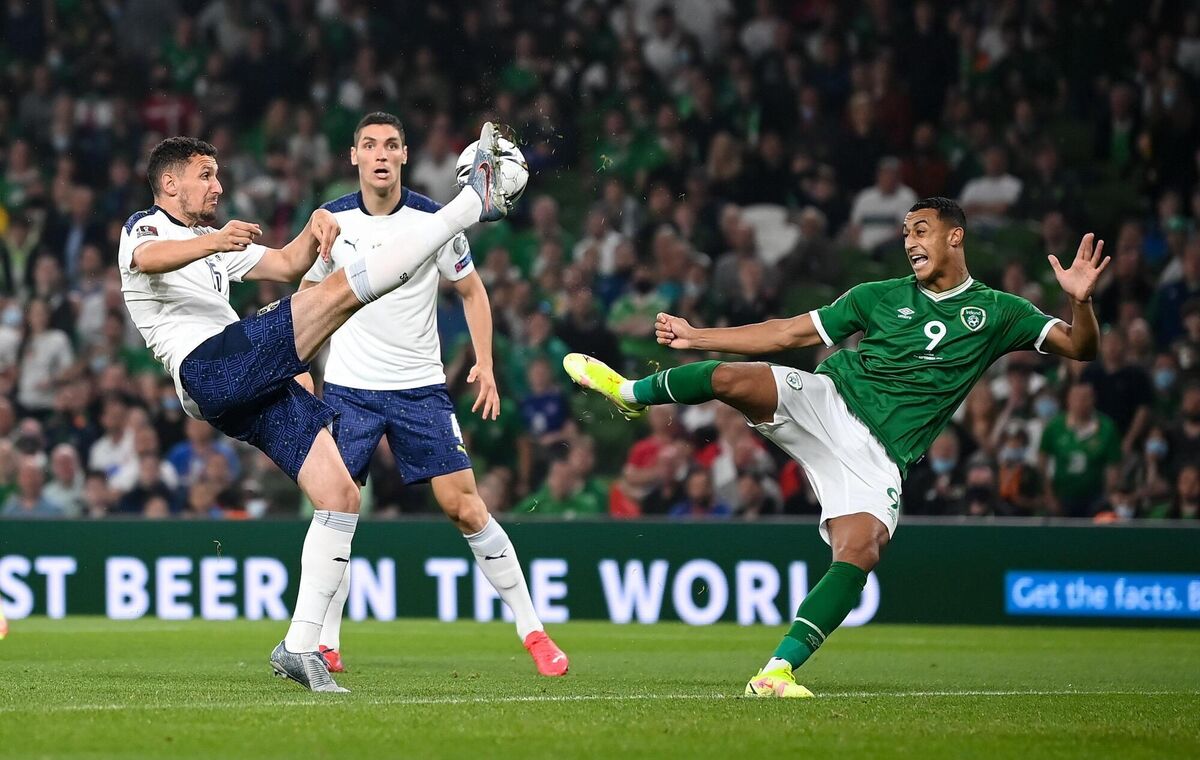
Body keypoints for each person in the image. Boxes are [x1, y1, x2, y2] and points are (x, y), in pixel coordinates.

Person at [563, 197, 1107, 697]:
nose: (910, 242)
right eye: (904, 233)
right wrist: (697, 336)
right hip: (829, 398)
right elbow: (789, 334)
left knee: (861, 551)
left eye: (922, 230)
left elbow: (1081, 347)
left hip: (880, 455)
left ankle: (775, 672)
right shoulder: (877, 296)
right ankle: (630, 392)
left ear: (956, 237)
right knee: (737, 379)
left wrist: (1080, 302)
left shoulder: (999, 312)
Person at [118, 124, 515, 692]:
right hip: (208, 367)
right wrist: (214, 240)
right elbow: (149, 259)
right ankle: (467, 206)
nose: (217, 184)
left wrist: (314, 230)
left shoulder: (214, 244)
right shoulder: (148, 227)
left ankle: (300, 646)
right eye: (206, 175)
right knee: (338, 295)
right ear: (169, 181)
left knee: (340, 494)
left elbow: (283, 264)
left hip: (242, 386)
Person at [297, 112, 567, 677]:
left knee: (464, 507)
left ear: (403, 156)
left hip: (419, 390)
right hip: (348, 389)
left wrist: (486, 364)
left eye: (390, 146)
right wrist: (301, 371)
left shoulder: (434, 220)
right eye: (368, 145)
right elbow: (307, 296)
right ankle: (326, 642)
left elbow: (472, 291)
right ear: (354, 157)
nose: (379, 154)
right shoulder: (332, 223)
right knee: (333, 509)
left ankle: (533, 631)